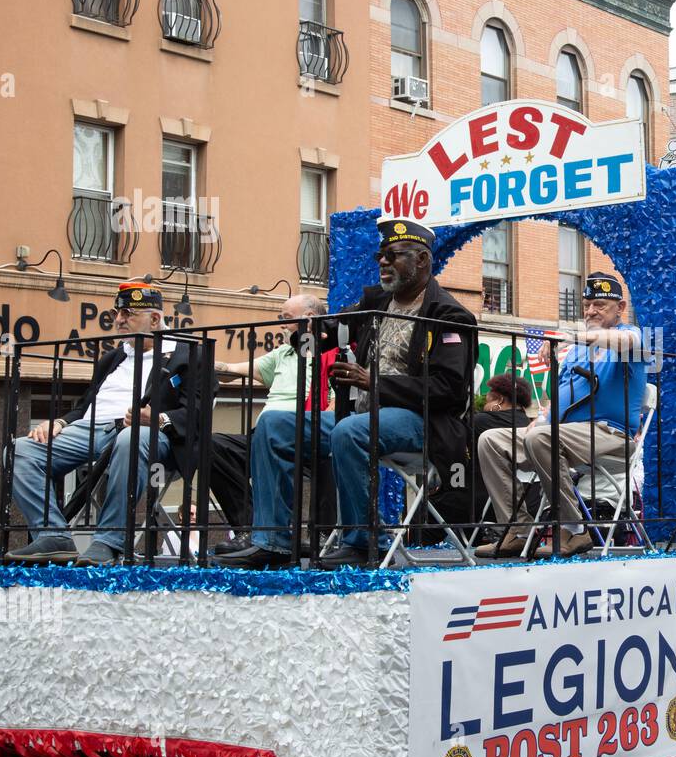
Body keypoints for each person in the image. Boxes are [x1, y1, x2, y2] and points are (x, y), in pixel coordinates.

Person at [214, 218, 477, 570]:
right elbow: (331, 330)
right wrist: (309, 331)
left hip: (424, 422)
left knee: (350, 431)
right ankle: (274, 540)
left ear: (422, 261)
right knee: (274, 425)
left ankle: (364, 540)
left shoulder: (448, 314)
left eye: (394, 254)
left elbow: (451, 388)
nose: (383, 261)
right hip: (364, 417)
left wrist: (375, 382)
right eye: (381, 254)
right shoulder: (376, 303)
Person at [6, 282, 216, 566]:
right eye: (117, 313)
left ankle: (109, 540)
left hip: (150, 435)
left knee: (131, 439)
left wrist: (155, 418)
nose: (118, 320)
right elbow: (84, 404)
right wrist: (59, 421)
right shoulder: (113, 357)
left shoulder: (189, 355)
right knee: (19, 449)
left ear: (154, 319)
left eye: (127, 313)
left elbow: (198, 412)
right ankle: (53, 535)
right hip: (91, 429)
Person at [477, 273, 646, 559]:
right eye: (587, 304)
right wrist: (541, 419)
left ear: (621, 307)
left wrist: (574, 337)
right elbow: (559, 399)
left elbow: (625, 341)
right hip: (562, 434)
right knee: (491, 440)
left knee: (544, 437)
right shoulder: (577, 351)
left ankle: (574, 529)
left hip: (611, 435)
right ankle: (518, 531)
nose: (590, 311)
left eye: (600, 305)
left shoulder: (633, 337)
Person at [208, 294, 338, 564]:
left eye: (286, 318)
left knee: (334, 448)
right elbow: (231, 369)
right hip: (267, 434)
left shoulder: (333, 353)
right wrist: (195, 358)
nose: (281, 324)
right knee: (213, 446)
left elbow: (338, 406)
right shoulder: (282, 353)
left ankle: (323, 536)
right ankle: (254, 532)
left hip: (310, 433)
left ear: (310, 319)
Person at [470, 372, 533, 537]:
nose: (484, 404)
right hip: (533, 501)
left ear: (500, 400)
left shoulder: (481, 421)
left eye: (488, 399)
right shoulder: (529, 425)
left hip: (494, 506)